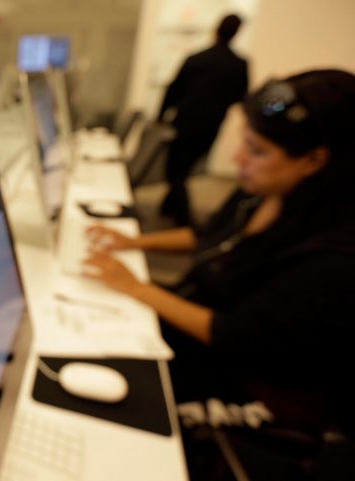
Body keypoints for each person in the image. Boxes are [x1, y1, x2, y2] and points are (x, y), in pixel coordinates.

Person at [84, 70, 355, 434]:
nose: (238, 157)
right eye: (244, 141)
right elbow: (207, 236)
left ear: (314, 161)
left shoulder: (333, 259)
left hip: (252, 386)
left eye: (257, 151)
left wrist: (138, 288)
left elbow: (236, 336)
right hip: (201, 332)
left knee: (109, 410)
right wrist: (134, 242)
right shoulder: (262, 191)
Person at [158, 14, 249, 225]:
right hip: (211, 125)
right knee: (184, 169)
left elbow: (174, 89)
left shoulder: (198, 58)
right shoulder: (239, 64)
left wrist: (161, 115)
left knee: (175, 170)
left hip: (186, 123)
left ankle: (183, 218)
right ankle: (168, 207)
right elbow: (240, 96)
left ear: (216, 30)